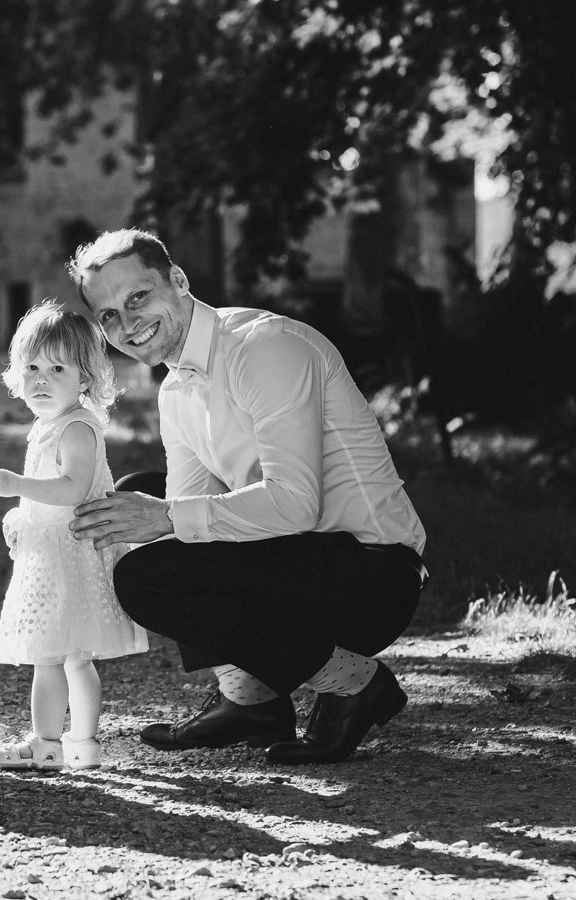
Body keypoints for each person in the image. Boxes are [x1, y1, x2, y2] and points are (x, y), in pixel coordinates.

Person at [69, 230, 428, 763]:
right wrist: (149, 518)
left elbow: (295, 502)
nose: (128, 324)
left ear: (179, 281)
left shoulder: (264, 348)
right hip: (297, 561)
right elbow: (186, 518)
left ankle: (357, 684)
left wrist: (165, 518)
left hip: (372, 576)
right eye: (109, 316)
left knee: (146, 567)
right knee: (132, 503)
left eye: (138, 298)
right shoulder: (176, 390)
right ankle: (251, 701)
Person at [0, 300, 147, 771]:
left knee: (53, 658)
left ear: (85, 379)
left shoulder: (76, 428)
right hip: (54, 552)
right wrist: (20, 518)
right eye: (31, 367)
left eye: (56, 368)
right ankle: (81, 744)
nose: (41, 380)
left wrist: (14, 487)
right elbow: (47, 501)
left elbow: (72, 489)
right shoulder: (47, 425)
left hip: (69, 556)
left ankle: (49, 743)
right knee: (70, 658)